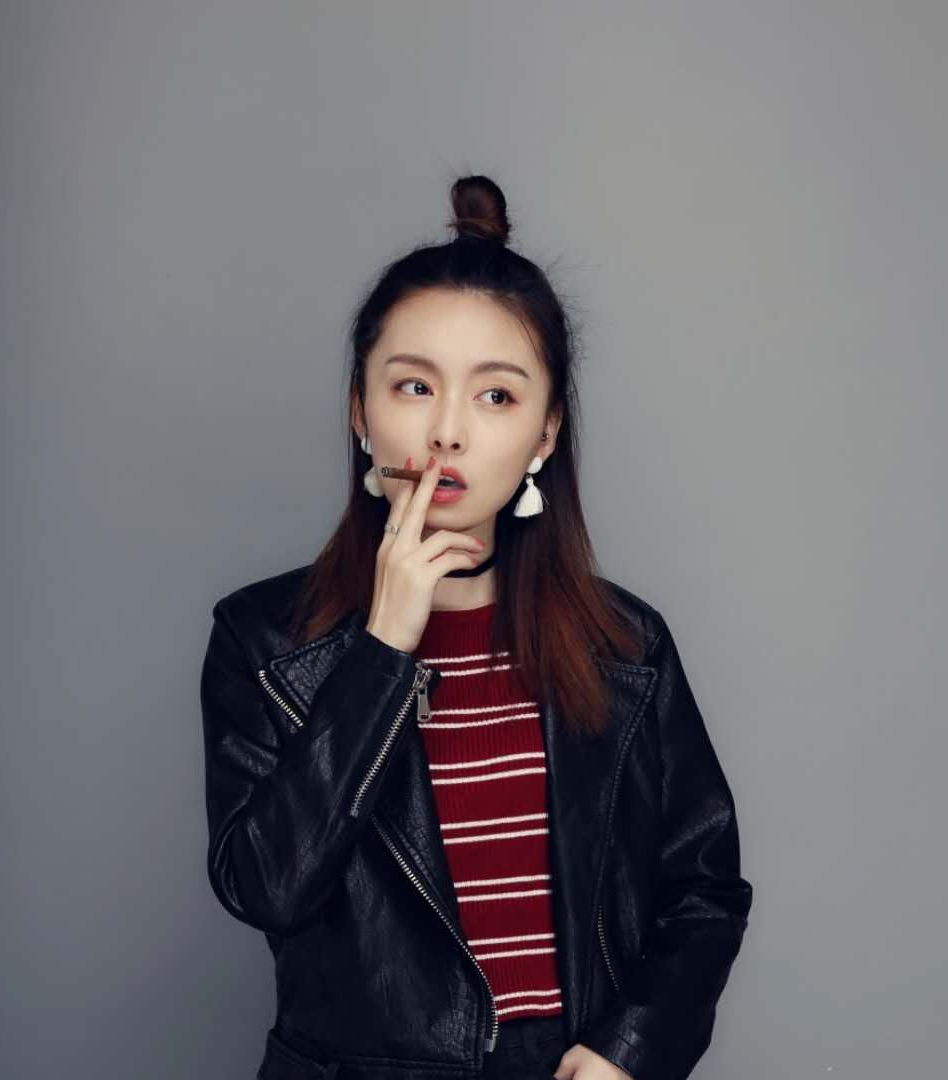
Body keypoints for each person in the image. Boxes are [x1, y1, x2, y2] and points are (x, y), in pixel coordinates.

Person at [200, 175, 753, 1080]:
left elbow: (703, 889)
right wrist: (383, 648)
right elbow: (269, 889)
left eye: (496, 396)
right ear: (360, 410)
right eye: (414, 385)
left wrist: (630, 1051)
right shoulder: (264, 641)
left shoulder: (625, 646)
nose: (448, 431)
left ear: (546, 433)